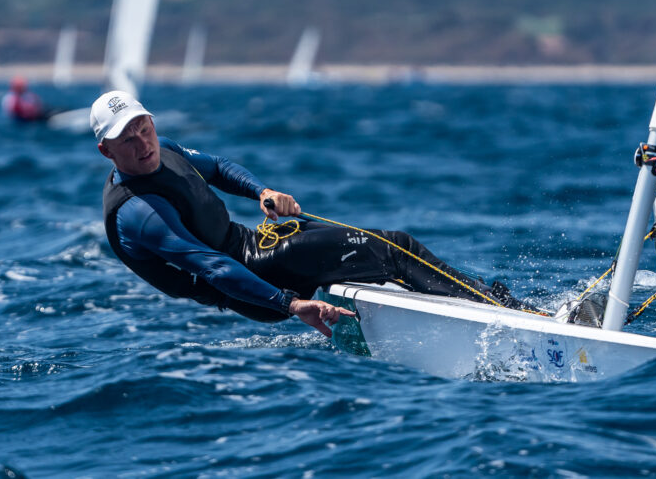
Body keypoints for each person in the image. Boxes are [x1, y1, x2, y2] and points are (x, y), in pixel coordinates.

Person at [91, 90, 538, 337]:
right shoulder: (138, 213)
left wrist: (261, 191)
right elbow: (211, 267)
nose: (142, 142)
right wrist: (291, 303)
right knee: (395, 248)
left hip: (252, 250)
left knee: (376, 259)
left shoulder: (165, 149)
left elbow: (219, 168)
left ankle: (481, 307)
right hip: (254, 280)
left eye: (143, 127)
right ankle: (511, 316)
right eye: (127, 138)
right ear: (106, 150)